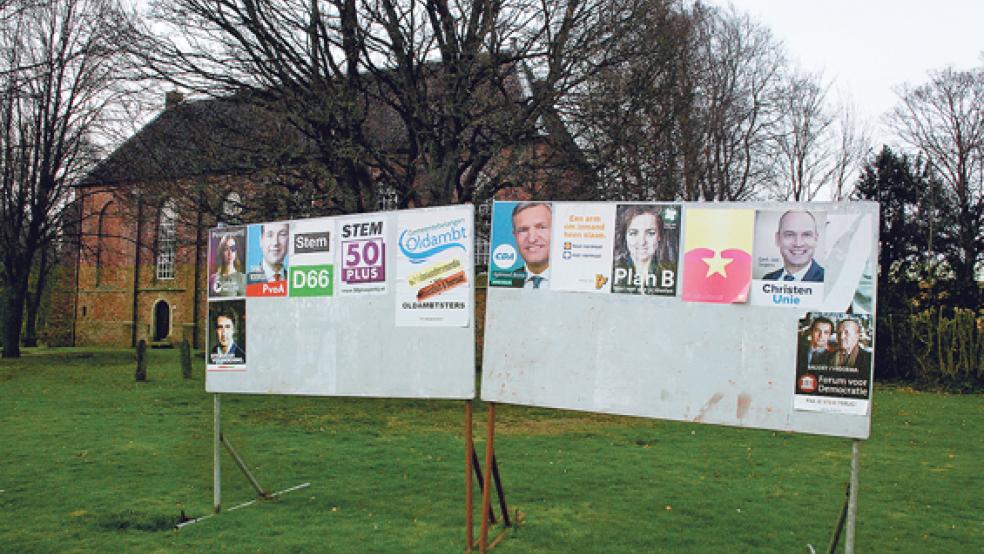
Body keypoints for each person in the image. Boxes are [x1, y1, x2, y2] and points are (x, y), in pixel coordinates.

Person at [612, 205, 671, 294]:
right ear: (625, 236)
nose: (642, 242)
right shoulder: (612, 270)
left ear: (659, 236)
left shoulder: (669, 273)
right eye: (633, 233)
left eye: (650, 233)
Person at [763, 210, 825, 282]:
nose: (798, 244)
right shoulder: (767, 279)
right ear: (777, 239)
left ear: (816, 239)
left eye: (806, 235)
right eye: (790, 235)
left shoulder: (827, 280)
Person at [511, 202, 552, 289]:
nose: (531, 239)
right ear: (515, 236)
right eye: (523, 230)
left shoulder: (575, 280)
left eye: (541, 227)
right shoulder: (504, 281)